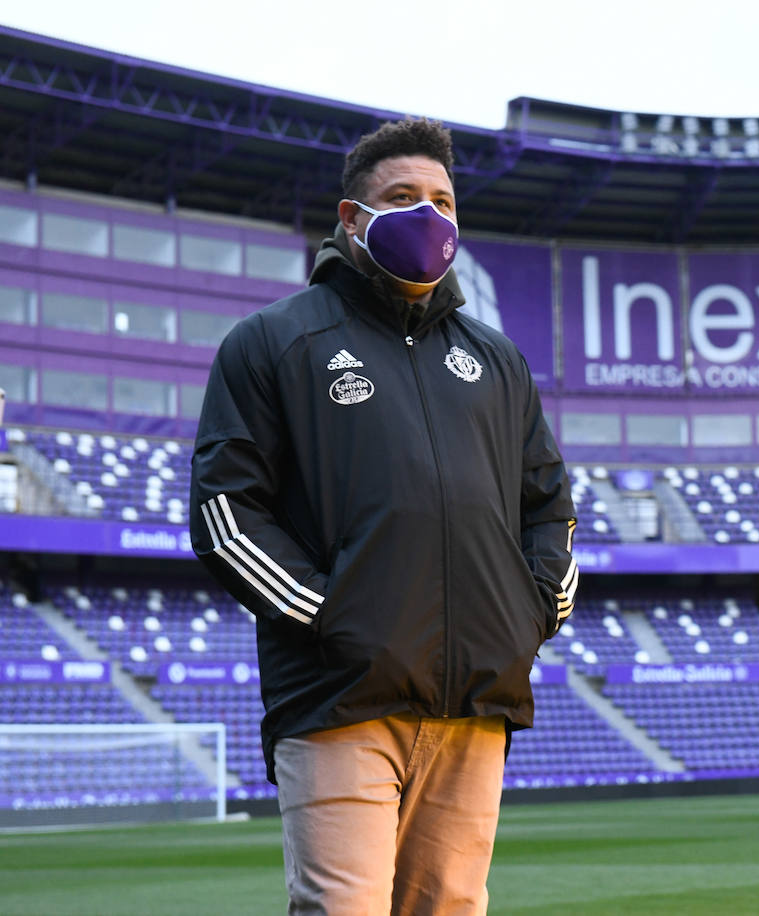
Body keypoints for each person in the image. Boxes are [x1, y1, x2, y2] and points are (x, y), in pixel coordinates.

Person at [189, 118, 577, 915]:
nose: (428, 216)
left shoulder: (497, 360)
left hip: (475, 702)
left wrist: (526, 616)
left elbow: (548, 507)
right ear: (351, 219)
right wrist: (339, 616)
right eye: (403, 198)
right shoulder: (272, 342)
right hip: (340, 698)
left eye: (442, 200)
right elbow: (226, 512)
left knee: (452, 910)